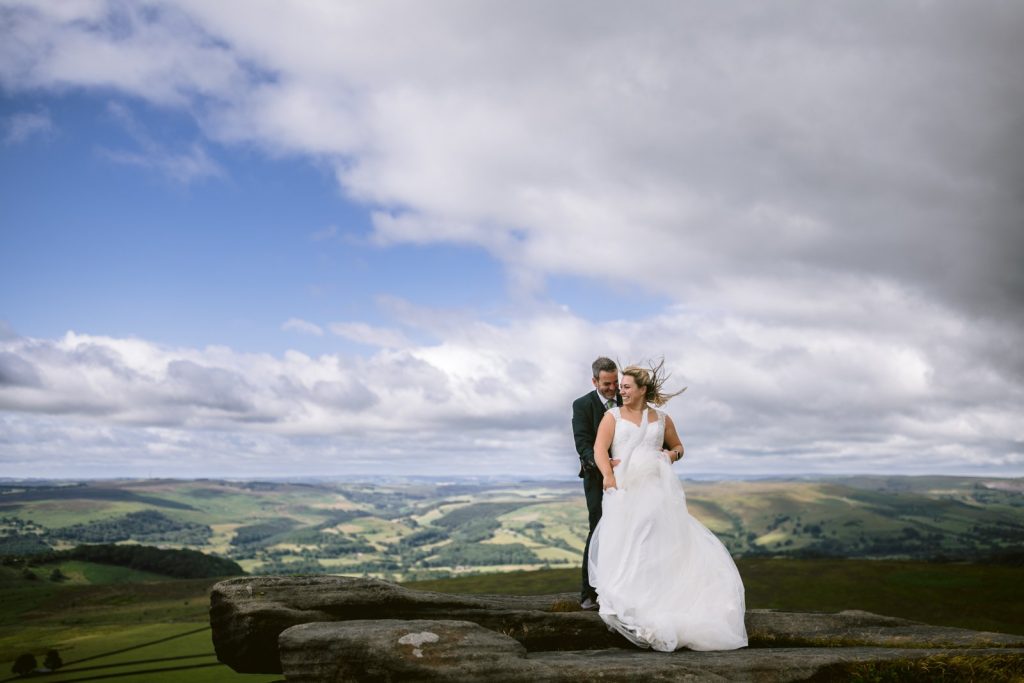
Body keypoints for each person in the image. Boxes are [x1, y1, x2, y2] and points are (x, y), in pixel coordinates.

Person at [588, 361, 748, 651]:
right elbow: (600, 449)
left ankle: (657, 598)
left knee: (652, 537)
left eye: (626, 387)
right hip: (623, 487)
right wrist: (609, 477)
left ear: (641, 390)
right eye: (620, 387)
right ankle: (629, 597)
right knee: (627, 540)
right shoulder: (612, 416)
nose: (620, 391)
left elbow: (679, 447)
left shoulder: (662, 419)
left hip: (656, 488)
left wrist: (670, 457)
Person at [571, 356, 621, 610]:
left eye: (615, 382)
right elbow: (583, 443)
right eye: (606, 384)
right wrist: (604, 464)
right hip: (596, 478)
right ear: (594, 381)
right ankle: (588, 593)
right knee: (598, 529)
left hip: (629, 477)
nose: (613, 389)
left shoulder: (629, 400)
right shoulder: (582, 405)